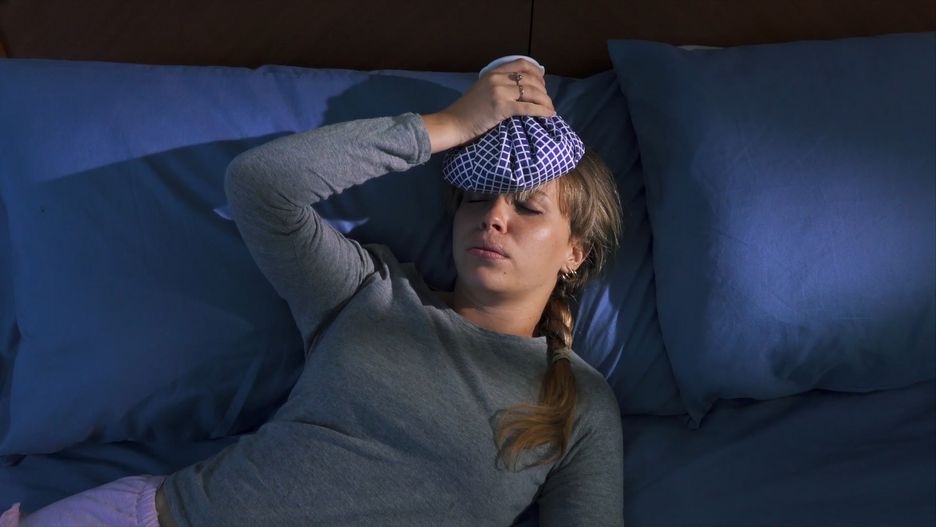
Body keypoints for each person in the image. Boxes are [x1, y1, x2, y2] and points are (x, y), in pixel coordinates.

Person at [2, 57, 625, 527]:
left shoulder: (578, 401)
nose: (493, 218)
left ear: (576, 252)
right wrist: (450, 125)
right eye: (476, 199)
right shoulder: (373, 291)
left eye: (528, 207)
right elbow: (260, 186)